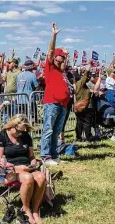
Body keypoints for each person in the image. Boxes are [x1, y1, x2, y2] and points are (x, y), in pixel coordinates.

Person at [0, 115, 46, 224]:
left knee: (41, 177)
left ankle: (35, 210)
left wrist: (33, 163)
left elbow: (31, 156)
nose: (20, 134)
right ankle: (26, 210)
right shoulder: (1, 136)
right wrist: (17, 167)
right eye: (18, 131)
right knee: (28, 178)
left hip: (26, 168)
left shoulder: (25, 136)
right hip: (9, 170)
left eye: (22, 131)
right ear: (11, 126)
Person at [40, 22, 70, 166]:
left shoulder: (61, 71)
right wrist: (54, 35)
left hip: (62, 104)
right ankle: (45, 156)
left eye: (63, 58)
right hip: (52, 102)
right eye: (60, 57)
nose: (61, 59)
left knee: (56, 130)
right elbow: (50, 51)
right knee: (48, 129)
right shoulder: (50, 67)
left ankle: (53, 154)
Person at [74, 61, 94, 142]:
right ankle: (89, 138)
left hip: (78, 106)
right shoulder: (80, 83)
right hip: (85, 106)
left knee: (79, 122)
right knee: (87, 123)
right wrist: (89, 65)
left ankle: (79, 137)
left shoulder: (76, 85)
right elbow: (86, 74)